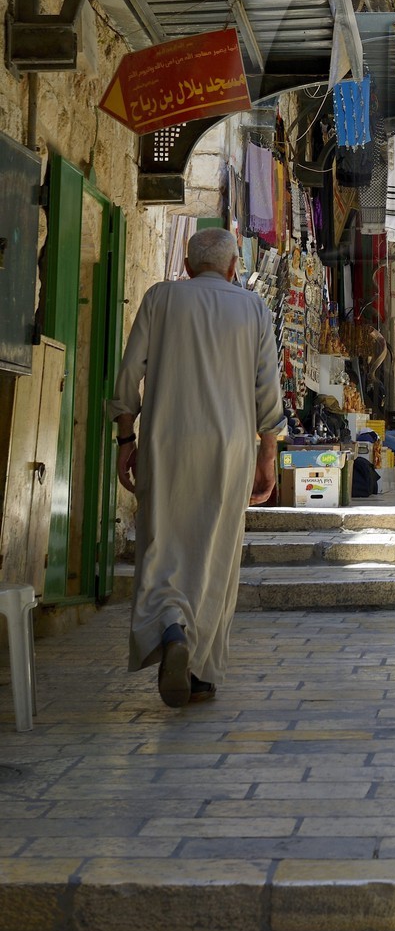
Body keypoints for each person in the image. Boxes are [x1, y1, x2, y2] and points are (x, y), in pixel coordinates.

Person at [109, 228, 284, 710]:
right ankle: (201, 672)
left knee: (161, 543)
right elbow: (267, 391)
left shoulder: (160, 298)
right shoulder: (252, 308)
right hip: (229, 447)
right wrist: (267, 457)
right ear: (233, 269)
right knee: (215, 551)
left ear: (187, 266)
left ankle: (170, 627)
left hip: (166, 440)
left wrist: (126, 437)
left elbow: (129, 375)